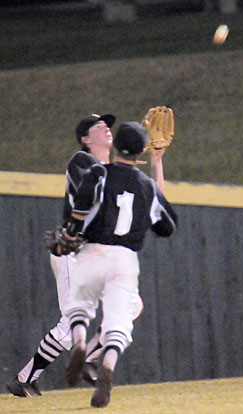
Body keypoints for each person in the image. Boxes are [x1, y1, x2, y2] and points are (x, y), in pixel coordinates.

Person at [6, 113, 167, 397]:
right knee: (70, 325)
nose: (106, 127)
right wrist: (127, 167)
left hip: (100, 253)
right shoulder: (81, 162)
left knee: (133, 307)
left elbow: (157, 203)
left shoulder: (115, 171)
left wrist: (155, 161)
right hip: (73, 251)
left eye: (108, 125)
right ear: (85, 139)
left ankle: (90, 358)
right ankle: (24, 380)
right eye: (97, 126)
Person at [60, 121, 178, 408]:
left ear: (116, 147)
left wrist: (71, 233)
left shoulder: (99, 172)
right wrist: (157, 164)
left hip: (94, 249)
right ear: (141, 151)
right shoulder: (147, 187)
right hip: (125, 258)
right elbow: (167, 226)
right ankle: (108, 366)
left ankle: (78, 344)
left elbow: (82, 205)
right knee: (119, 322)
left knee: (80, 306)